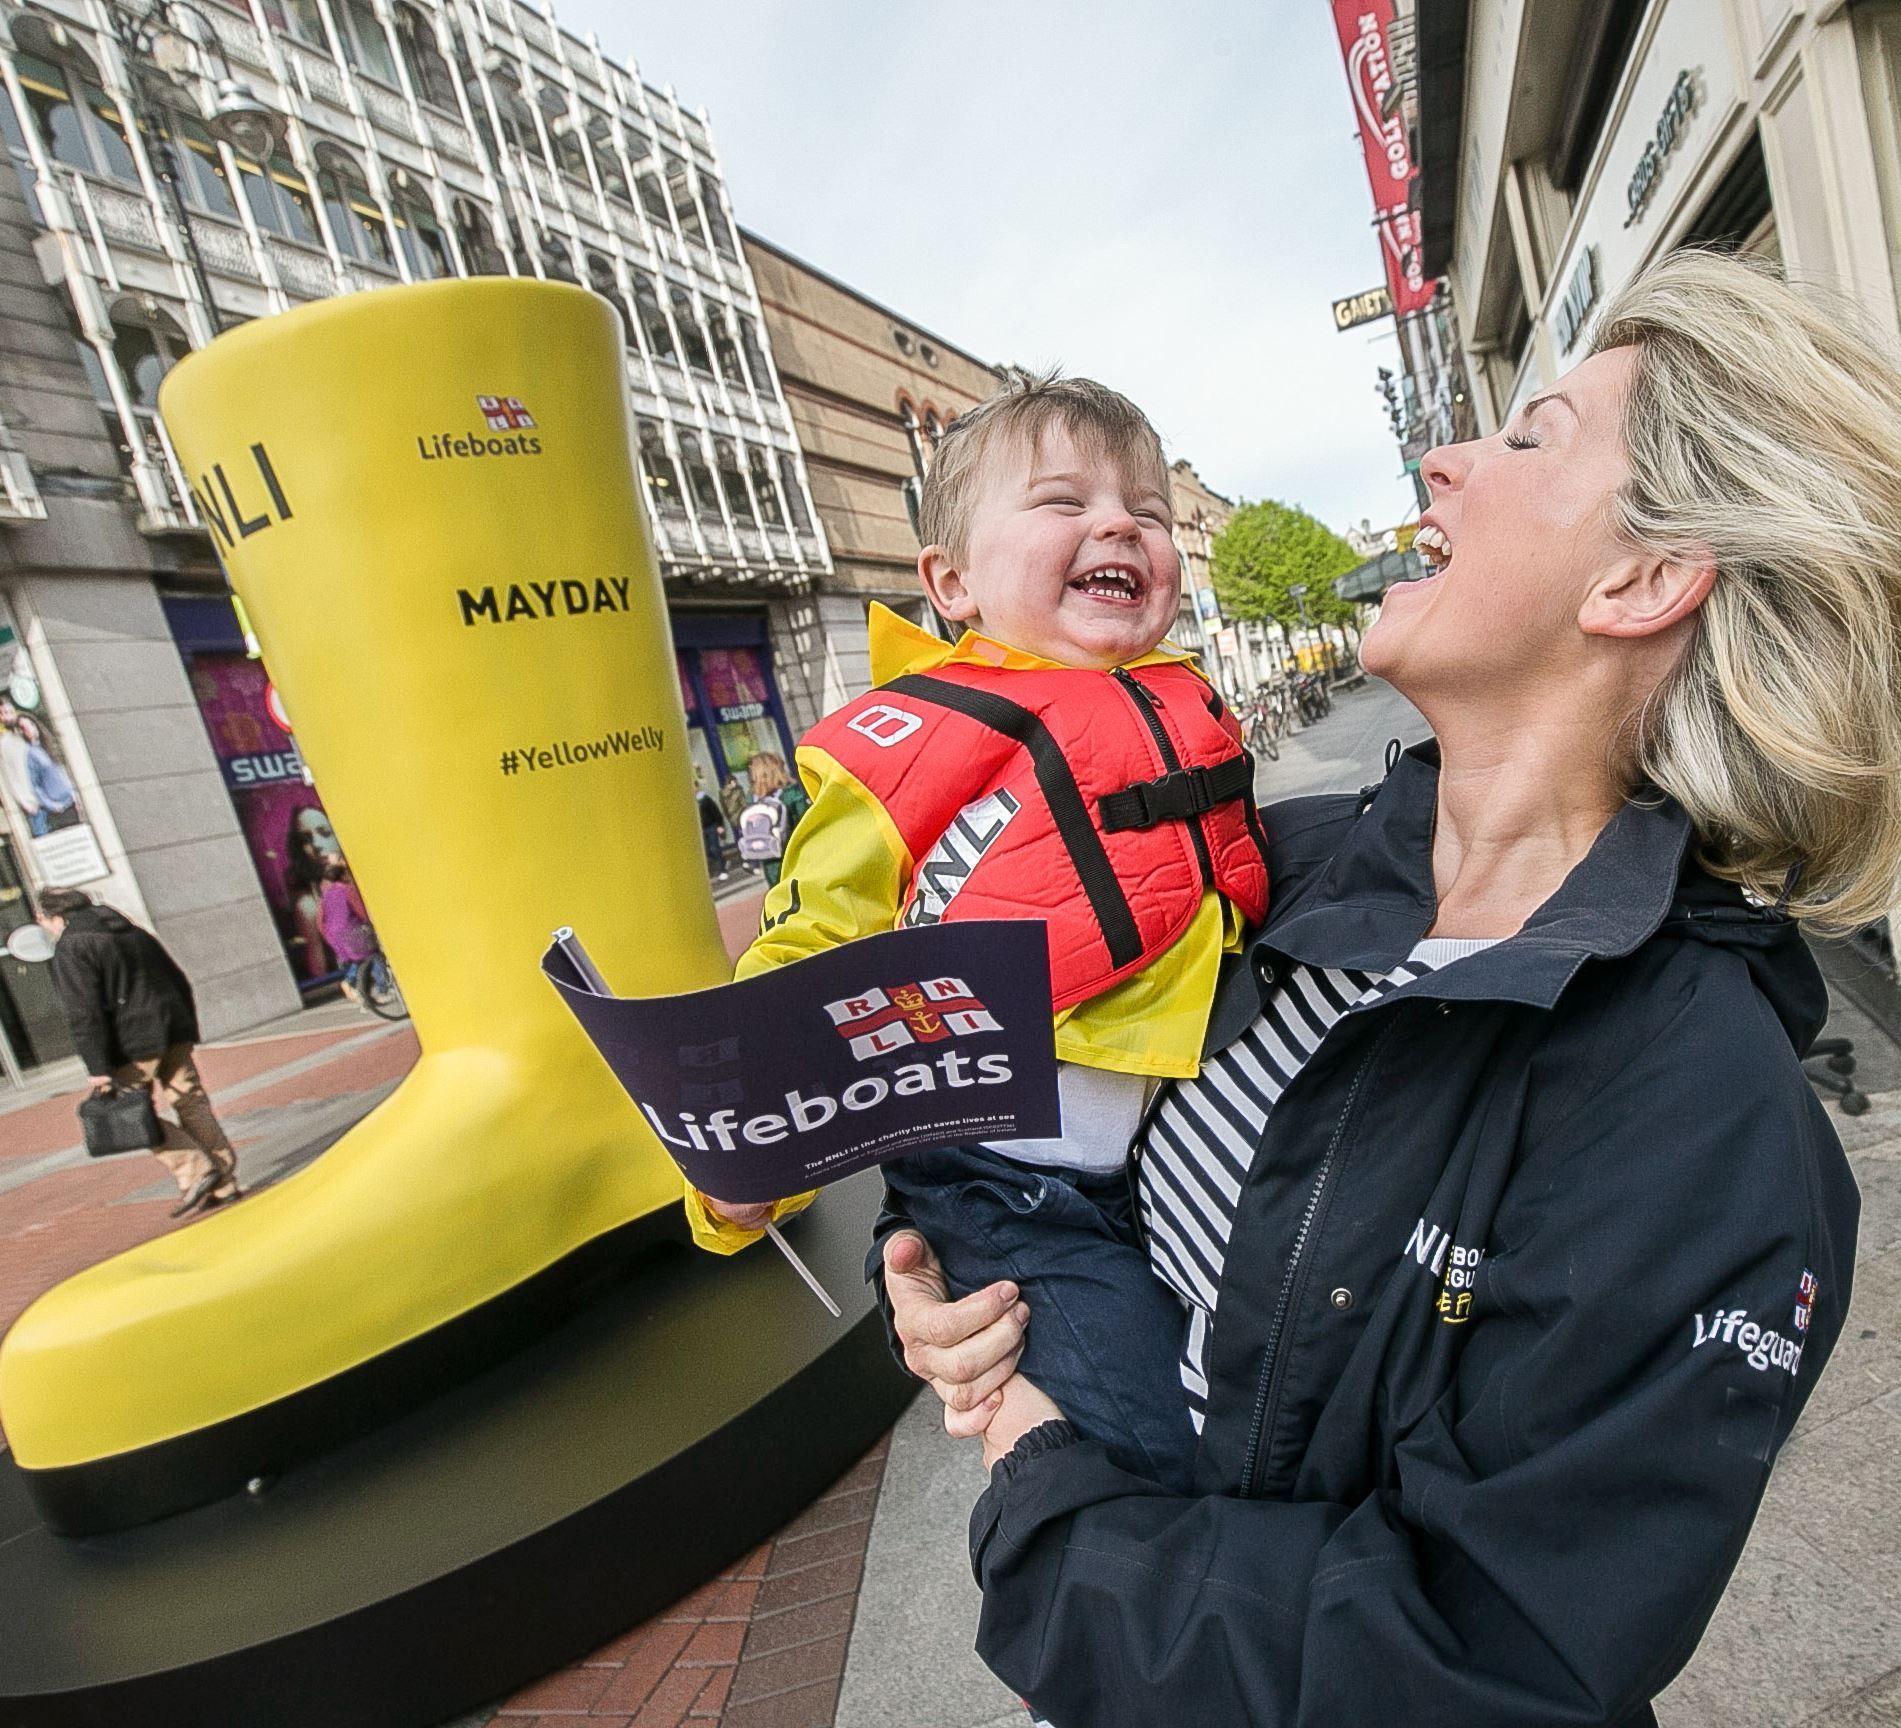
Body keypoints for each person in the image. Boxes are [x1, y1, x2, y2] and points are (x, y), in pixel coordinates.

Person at [880, 251, 1896, 1727]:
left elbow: (1487, 1659)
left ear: (1642, 579)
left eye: (1531, 436)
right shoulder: (1251, 868)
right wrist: (945, 1281)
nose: (1442, 456)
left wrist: (1049, 1512)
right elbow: (1032, 1135)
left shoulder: (1708, 1119)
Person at [696, 374, 1270, 1490]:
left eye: (1145, 512)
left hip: (1164, 1154)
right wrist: (735, 1167)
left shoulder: (1181, 707)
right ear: (949, 581)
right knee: (1154, 1447)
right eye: (1061, 503)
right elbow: (800, 959)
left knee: (1247, 1399)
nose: (1117, 525)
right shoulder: (905, 755)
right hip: (1001, 1190)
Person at [37, 886, 242, 1218]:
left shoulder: (72, 946)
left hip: (132, 1041)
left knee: (127, 1114)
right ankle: (225, 1182)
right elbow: (176, 978)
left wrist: (97, 1065)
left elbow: (83, 1012)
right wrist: (186, 1025)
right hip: (172, 1026)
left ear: (52, 917)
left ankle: (196, 1169)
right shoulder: (132, 931)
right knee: (191, 1102)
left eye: (42, 920)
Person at [736, 750, 809, 887]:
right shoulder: (790, 792)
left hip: (769, 855)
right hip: (795, 856)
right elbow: (805, 822)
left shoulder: (753, 797)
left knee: (779, 896)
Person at [318, 856, 379, 1004]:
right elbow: (360, 911)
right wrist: (371, 922)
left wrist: (327, 936)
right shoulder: (347, 889)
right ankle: (376, 989)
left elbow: (320, 920)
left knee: (356, 960)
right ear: (343, 876)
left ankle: (355, 986)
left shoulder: (326, 895)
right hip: (351, 930)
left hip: (334, 935)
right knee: (372, 955)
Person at [694, 771, 730, 881]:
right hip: (701, 829)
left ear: (697, 787)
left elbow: (716, 812)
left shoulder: (705, 799)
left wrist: (720, 825)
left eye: (693, 786)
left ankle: (722, 869)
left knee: (715, 848)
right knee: (706, 850)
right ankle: (723, 861)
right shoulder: (691, 802)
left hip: (711, 826)